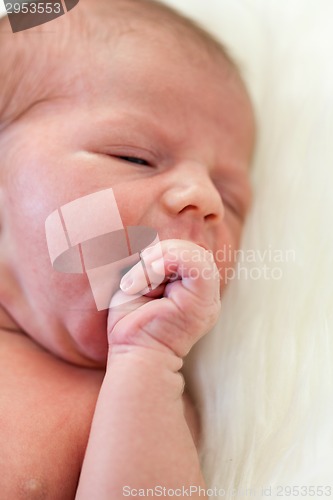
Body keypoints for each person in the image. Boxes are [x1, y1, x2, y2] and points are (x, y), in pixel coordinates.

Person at [0, 0, 255, 497]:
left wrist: (147, 361)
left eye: (230, 199)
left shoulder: (140, 403)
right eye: (134, 158)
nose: (203, 200)